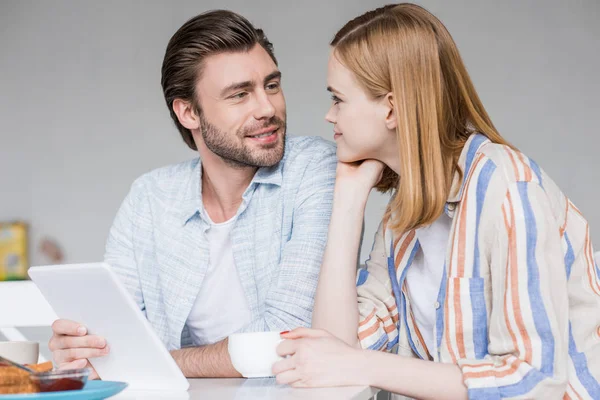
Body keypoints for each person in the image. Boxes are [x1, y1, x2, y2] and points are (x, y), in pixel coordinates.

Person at [273, 3, 600, 399]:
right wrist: (348, 201)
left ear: (390, 108)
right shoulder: (403, 218)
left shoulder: (507, 186)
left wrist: (362, 364)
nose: (329, 115)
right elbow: (336, 352)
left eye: (338, 99)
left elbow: (534, 382)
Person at [48, 10, 337, 379]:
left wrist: (153, 362)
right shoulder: (150, 198)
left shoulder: (314, 169)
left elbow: (287, 334)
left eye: (272, 85)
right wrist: (82, 347)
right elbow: (114, 336)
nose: (267, 108)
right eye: (239, 95)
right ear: (188, 112)